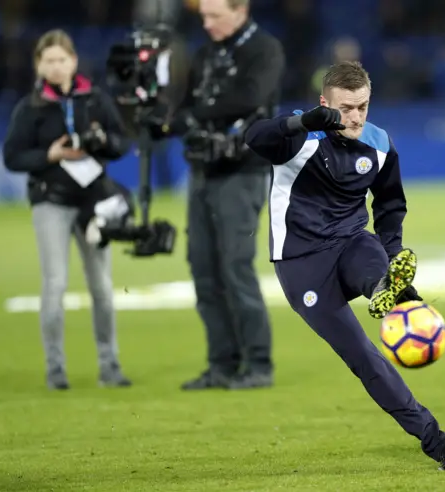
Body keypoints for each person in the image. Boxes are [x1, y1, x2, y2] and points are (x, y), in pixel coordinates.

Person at [244, 61, 445, 471]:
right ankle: (433, 436)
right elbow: (252, 137)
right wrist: (300, 122)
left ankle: (389, 290)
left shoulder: (380, 143)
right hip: (301, 262)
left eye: (363, 106)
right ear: (325, 102)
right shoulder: (298, 136)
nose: (356, 117)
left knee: (375, 264)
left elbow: (390, 203)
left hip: (351, 243)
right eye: (346, 108)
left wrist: (394, 248)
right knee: (363, 355)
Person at [146, 0, 285, 390]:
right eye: (203, 17)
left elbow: (250, 97)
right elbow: (185, 107)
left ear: (240, 11)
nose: (205, 24)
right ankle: (221, 364)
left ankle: (259, 365)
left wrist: (193, 114)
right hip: (203, 170)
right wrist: (165, 118)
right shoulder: (207, 54)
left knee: (235, 266)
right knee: (204, 269)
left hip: (242, 170)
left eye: (214, 16)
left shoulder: (264, 50)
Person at [2, 29, 133, 390]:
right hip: (51, 201)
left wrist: (103, 141)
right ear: (39, 66)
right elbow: (12, 156)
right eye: (49, 61)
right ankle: (55, 369)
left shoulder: (94, 98)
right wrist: (51, 154)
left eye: (62, 59)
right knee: (55, 283)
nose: (56, 67)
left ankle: (110, 366)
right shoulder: (30, 108)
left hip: (93, 202)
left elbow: (122, 141)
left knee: (103, 287)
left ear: (74, 61)